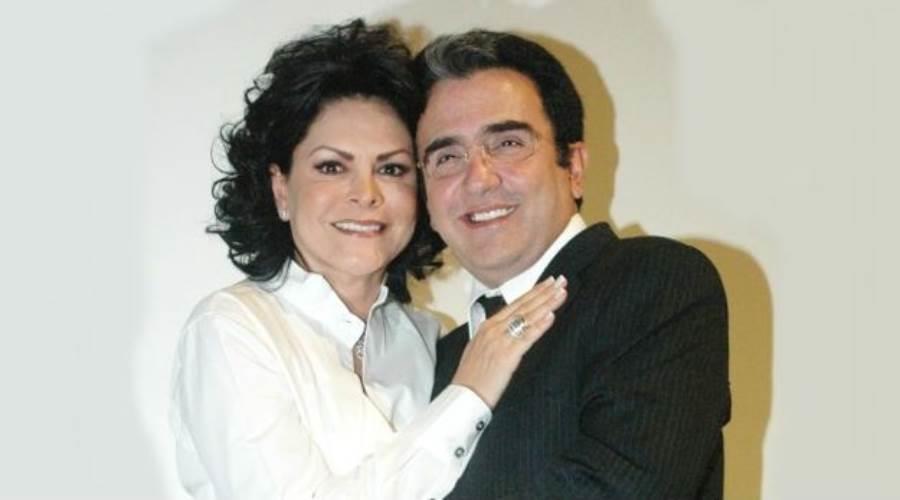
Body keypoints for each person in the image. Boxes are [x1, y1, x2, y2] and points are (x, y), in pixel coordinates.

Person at [169, 20, 568, 500]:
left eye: (391, 168)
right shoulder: (232, 329)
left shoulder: (426, 339)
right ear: (281, 189)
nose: (366, 194)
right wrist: (468, 395)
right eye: (332, 167)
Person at [415, 29, 731, 499]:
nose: (478, 178)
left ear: (575, 166)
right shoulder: (434, 363)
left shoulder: (655, 284)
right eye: (446, 156)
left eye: (507, 143)